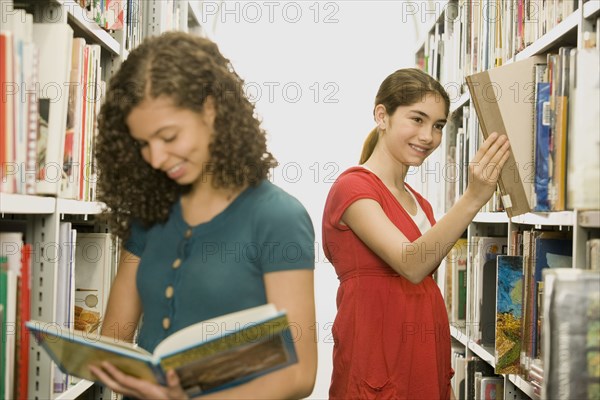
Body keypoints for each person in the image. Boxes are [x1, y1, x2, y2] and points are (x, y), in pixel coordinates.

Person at [90, 32, 317, 400]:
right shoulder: (150, 212)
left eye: (169, 137)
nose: (156, 159)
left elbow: (301, 374)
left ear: (211, 109)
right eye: (143, 144)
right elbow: (115, 336)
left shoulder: (278, 217)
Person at [322, 68, 510, 399]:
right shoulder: (353, 188)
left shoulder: (419, 203)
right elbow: (412, 264)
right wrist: (473, 198)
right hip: (376, 367)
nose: (428, 136)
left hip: (424, 364)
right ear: (383, 116)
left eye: (438, 126)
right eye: (417, 119)